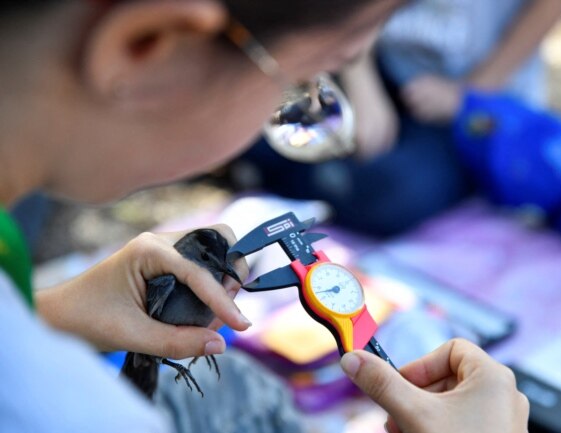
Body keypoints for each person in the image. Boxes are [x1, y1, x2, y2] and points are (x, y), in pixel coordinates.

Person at [0, 1, 528, 432]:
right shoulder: (60, 408)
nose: (309, 107)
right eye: (301, 79)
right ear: (147, 47)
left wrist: (52, 314)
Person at [237, 0, 561, 236]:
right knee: (249, 114)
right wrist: (360, 78)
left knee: (394, 195)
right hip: (381, 61)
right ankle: (283, 171)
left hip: (480, 100)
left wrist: (469, 94)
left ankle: (287, 175)